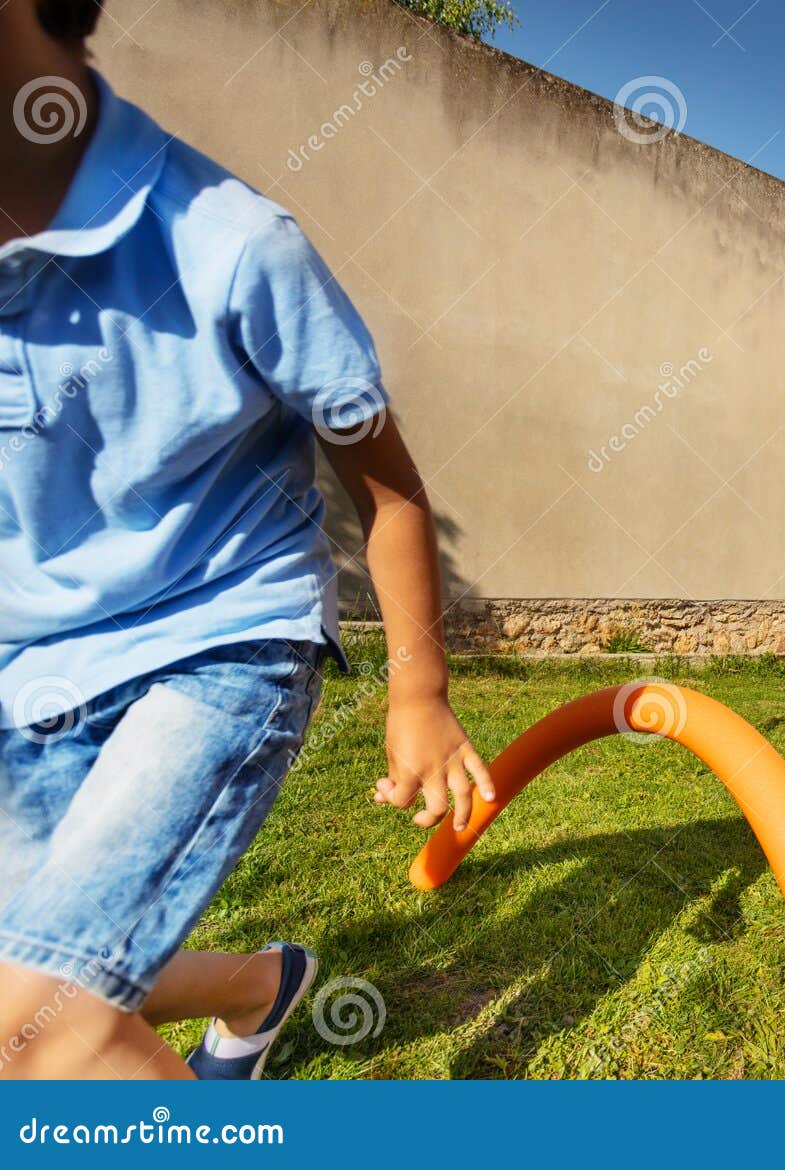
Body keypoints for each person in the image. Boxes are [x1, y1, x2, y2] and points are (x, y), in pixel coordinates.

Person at [0, 1, 491, 1080]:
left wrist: (419, 693)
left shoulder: (231, 246)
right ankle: (257, 986)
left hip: (215, 642)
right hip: (32, 659)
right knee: (34, 979)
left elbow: (391, 488)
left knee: (37, 1023)